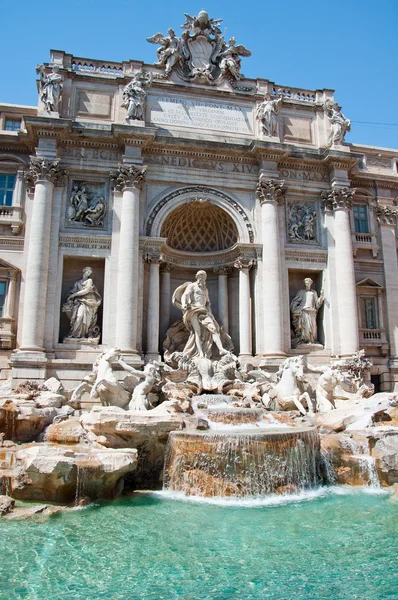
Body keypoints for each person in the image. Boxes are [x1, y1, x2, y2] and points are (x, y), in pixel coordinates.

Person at [173, 270, 229, 360]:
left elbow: (207, 303)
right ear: (196, 276)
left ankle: (221, 349)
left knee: (214, 329)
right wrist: (184, 304)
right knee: (197, 332)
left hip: (204, 312)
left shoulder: (205, 290)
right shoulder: (192, 286)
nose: (201, 277)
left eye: (203, 276)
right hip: (193, 310)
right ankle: (201, 353)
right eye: (200, 276)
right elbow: (185, 295)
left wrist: (210, 314)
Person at [62, 267, 102, 339]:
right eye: (88, 271)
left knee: (85, 319)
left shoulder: (90, 280)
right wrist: (70, 295)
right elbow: (73, 291)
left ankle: (83, 335)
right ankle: (74, 334)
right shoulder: (78, 282)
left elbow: (86, 290)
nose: (89, 273)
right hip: (79, 302)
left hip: (88, 302)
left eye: (90, 272)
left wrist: (74, 295)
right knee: (79, 316)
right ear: (84, 271)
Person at [290, 278, 324, 345]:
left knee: (312, 327)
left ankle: (312, 340)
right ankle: (304, 340)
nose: (307, 284)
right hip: (304, 311)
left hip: (311, 312)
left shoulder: (313, 292)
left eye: (308, 283)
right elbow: (295, 301)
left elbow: (317, 304)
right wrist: (296, 309)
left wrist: (322, 295)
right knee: (305, 327)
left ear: (311, 283)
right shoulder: (301, 292)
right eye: (306, 283)